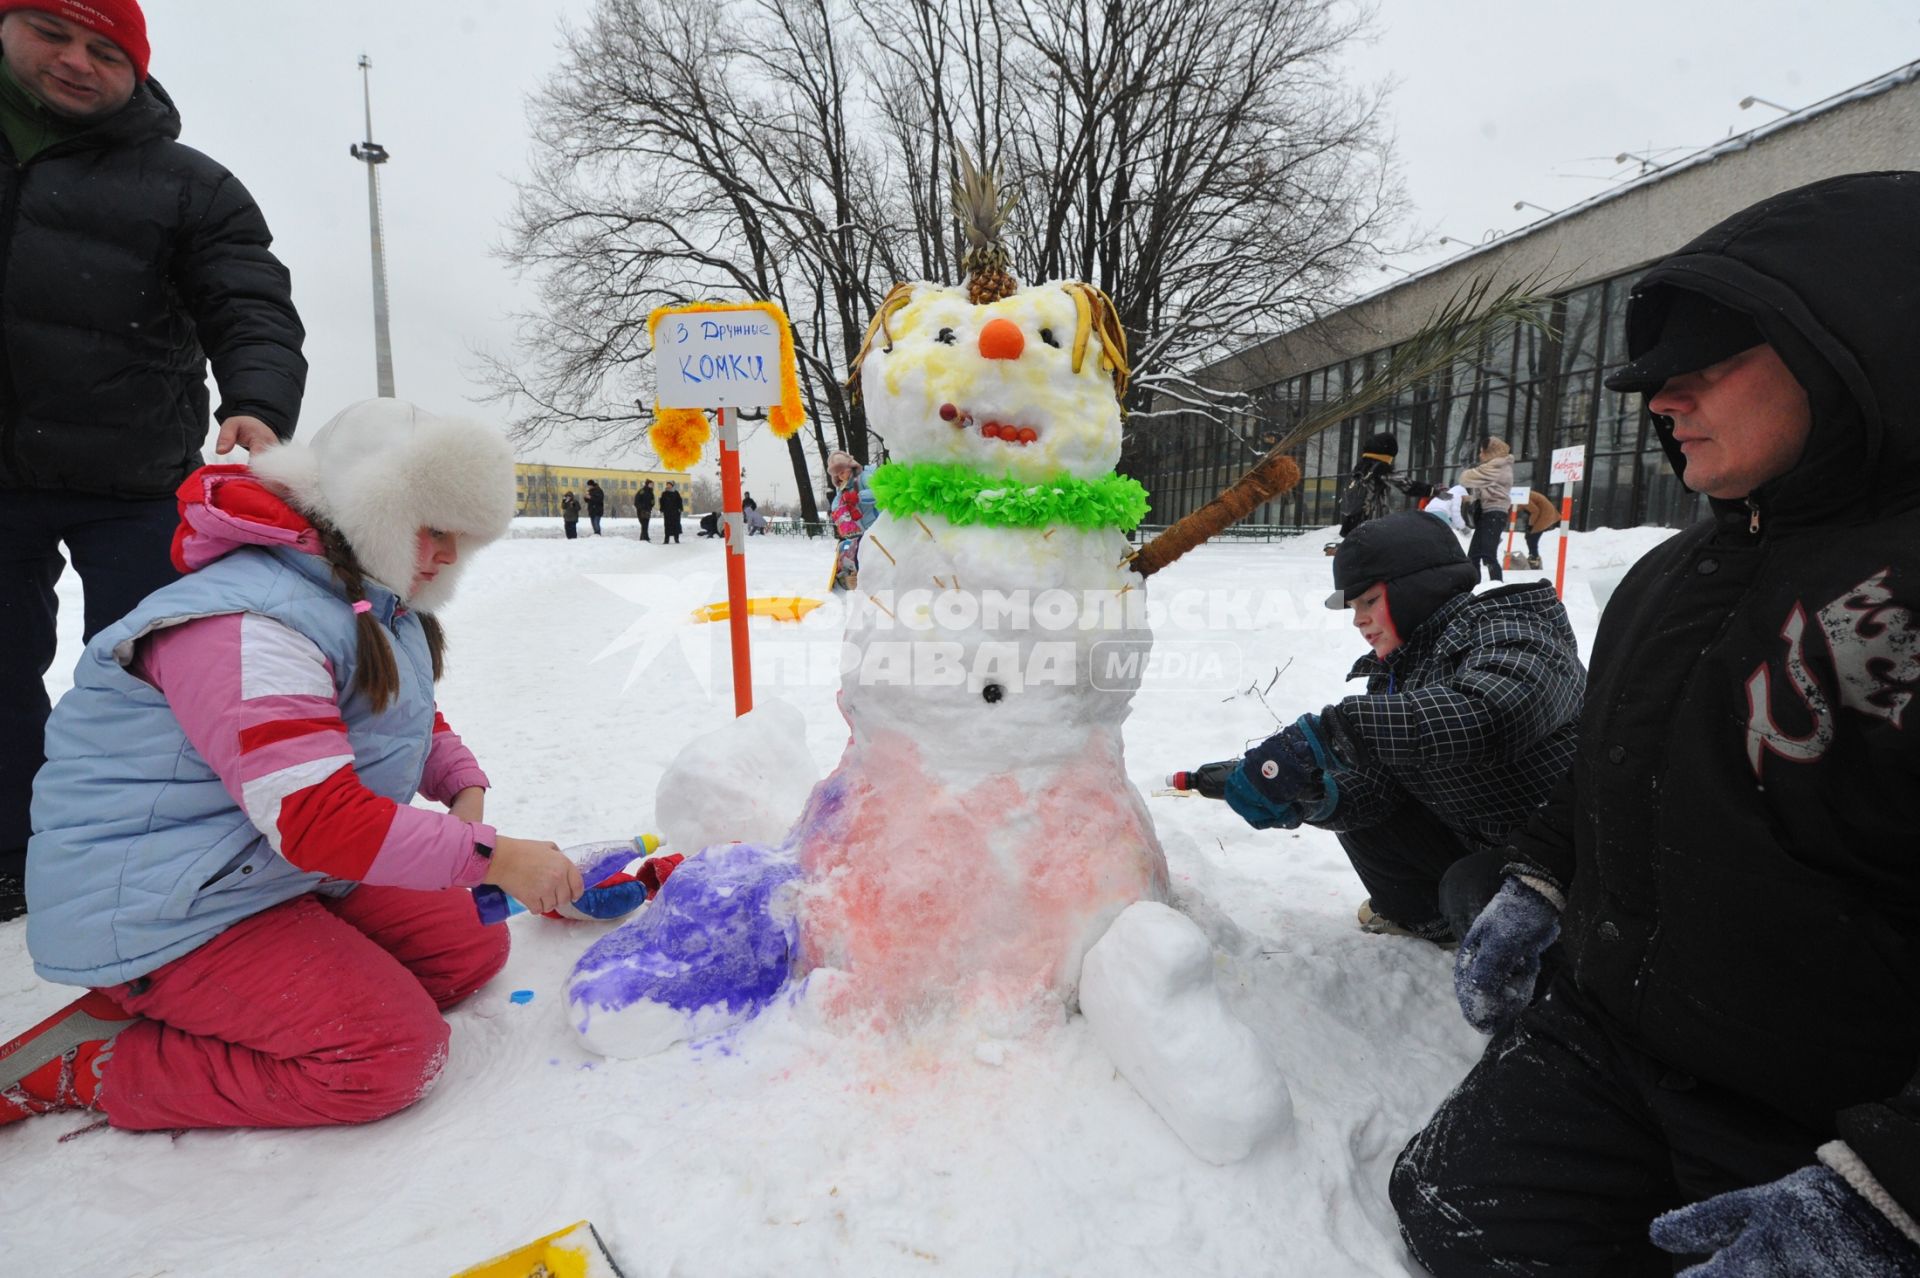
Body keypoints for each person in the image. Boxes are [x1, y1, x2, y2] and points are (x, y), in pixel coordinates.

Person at [1392, 172, 1920, 1278]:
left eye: (1704, 368)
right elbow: (1611, 766)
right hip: (1616, 1036)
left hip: (1828, 1123)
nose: (1660, 401)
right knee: (1452, 1207)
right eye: (1655, 377)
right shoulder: (1667, 577)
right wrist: (1541, 881)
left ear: (1853, 351)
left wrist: (1887, 1200)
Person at [0, 399, 582, 1131]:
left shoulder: (359, 598)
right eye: (431, 529)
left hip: (257, 865)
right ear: (368, 509)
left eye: (460, 538)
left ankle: (272, 987)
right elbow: (317, 819)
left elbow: (393, 711)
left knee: (465, 948)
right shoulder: (248, 623)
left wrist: (460, 781)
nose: (444, 556)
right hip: (167, 904)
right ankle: (88, 1064)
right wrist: (494, 858)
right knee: (387, 1053)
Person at [0, 0, 307, 923]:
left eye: (105, 50)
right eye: (53, 33)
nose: (75, 62)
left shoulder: (188, 186)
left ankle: (163, 838)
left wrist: (256, 403)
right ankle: (13, 850)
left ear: (137, 70)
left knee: (156, 665)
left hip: (134, 477)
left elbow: (250, 303)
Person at [1194, 510, 1584, 942]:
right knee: (1361, 796)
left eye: (1369, 601)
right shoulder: (1396, 671)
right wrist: (1313, 794)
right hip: (1480, 838)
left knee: (1472, 887)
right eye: (1354, 606)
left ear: (1416, 588)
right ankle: (1432, 921)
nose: (1358, 619)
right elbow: (1377, 789)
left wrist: (1335, 731)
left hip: (1568, 853)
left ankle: (1550, 967)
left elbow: (1495, 713)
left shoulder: (1512, 625)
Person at [1458, 436, 1512, 582]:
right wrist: (1470, 499)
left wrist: (1467, 468)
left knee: (1488, 554)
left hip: (1494, 514)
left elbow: (1466, 478)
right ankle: (1476, 587)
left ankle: (1497, 587)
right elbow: (1487, 489)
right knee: (1473, 555)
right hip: (1489, 514)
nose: (1480, 455)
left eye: (1482, 452)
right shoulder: (1497, 466)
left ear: (1491, 452)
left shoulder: (1498, 465)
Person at [1333, 431, 1403, 543]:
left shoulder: (1360, 466)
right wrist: (1429, 490)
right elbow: (1404, 484)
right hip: (1370, 521)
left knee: (1357, 552)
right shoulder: (1380, 468)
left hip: (1354, 519)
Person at [827, 450, 878, 592]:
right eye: (838, 473)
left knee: (875, 555)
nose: (842, 475)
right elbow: (836, 505)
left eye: (844, 470)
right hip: (860, 530)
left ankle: (874, 582)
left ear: (851, 466)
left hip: (876, 525)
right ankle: (861, 583)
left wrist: (859, 497)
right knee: (859, 555)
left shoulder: (864, 477)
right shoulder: (842, 488)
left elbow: (879, 492)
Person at [1521, 486, 1561, 570]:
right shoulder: (1522, 495)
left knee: (1532, 538)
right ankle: (1533, 557)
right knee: (1530, 537)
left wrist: (1530, 526)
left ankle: (1534, 560)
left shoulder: (1523, 498)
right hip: (1545, 513)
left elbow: (1535, 511)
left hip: (1545, 515)